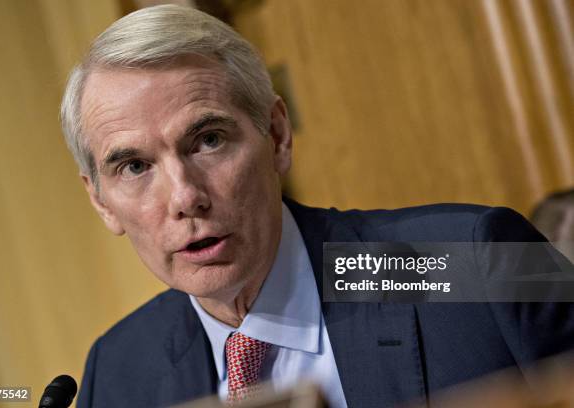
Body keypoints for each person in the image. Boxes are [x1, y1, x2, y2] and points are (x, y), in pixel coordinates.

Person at [60, 5, 574, 408]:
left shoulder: (477, 263)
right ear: (101, 202)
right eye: (134, 167)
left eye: (209, 140)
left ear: (277, 136)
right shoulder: (119, 370)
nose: (184, 196)